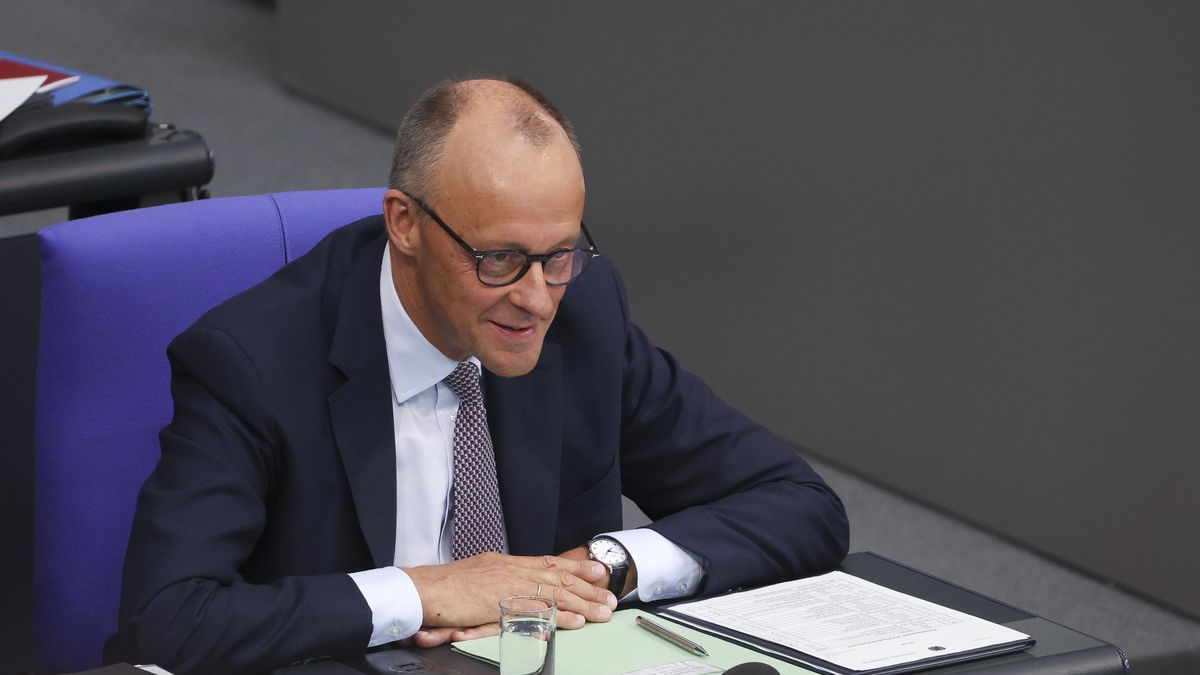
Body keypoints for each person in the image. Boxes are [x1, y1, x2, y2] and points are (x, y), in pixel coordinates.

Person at [109, 77, 849, 674]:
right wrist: (423, 592)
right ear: (405, 223)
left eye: (559, 255)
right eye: (500, 259)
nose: (537, 299)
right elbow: (168, 620)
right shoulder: (252, 363)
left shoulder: (584, 312)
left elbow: (799, 505)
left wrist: (604, 567)